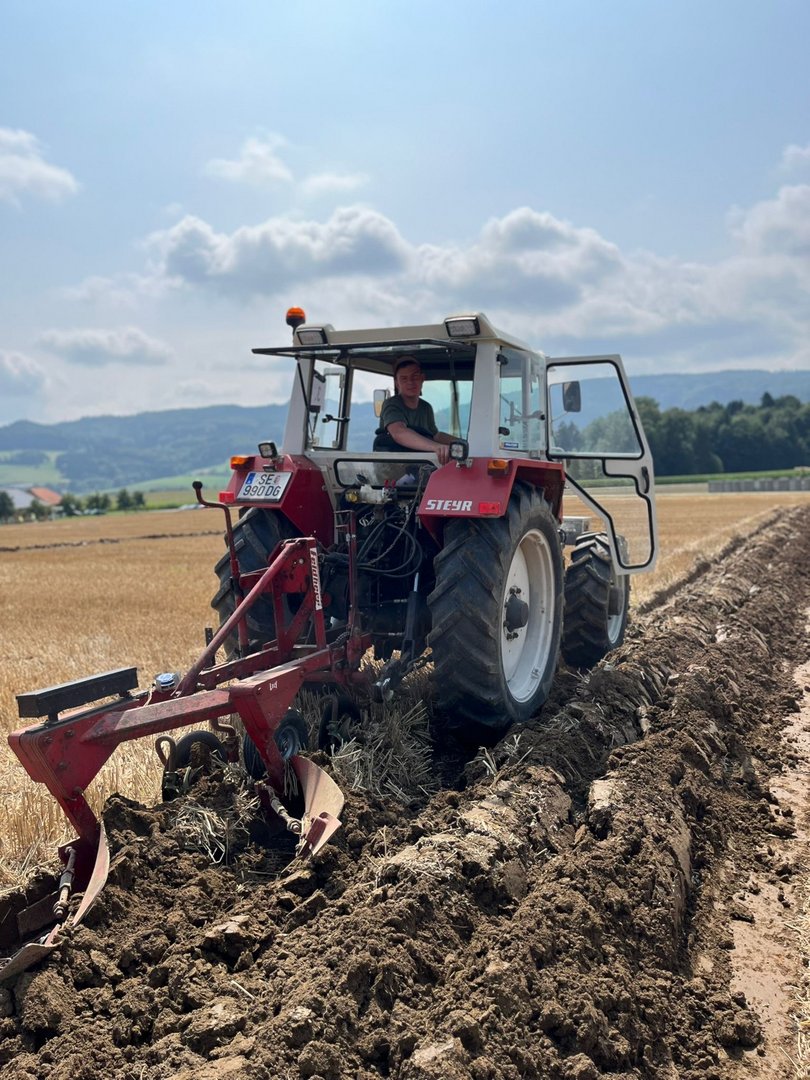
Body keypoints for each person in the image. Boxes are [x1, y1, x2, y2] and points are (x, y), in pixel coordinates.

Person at [373, 355, 455, 464]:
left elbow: (435, 435)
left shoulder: (426, 407)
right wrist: (437, 447)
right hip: (393, 467)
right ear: (397, 383)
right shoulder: (392, 404)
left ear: (422, 378)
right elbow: (398, 432)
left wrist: (461, 443)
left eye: (415, 377)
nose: (410, 382)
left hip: (420, 466)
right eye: (404, 378)